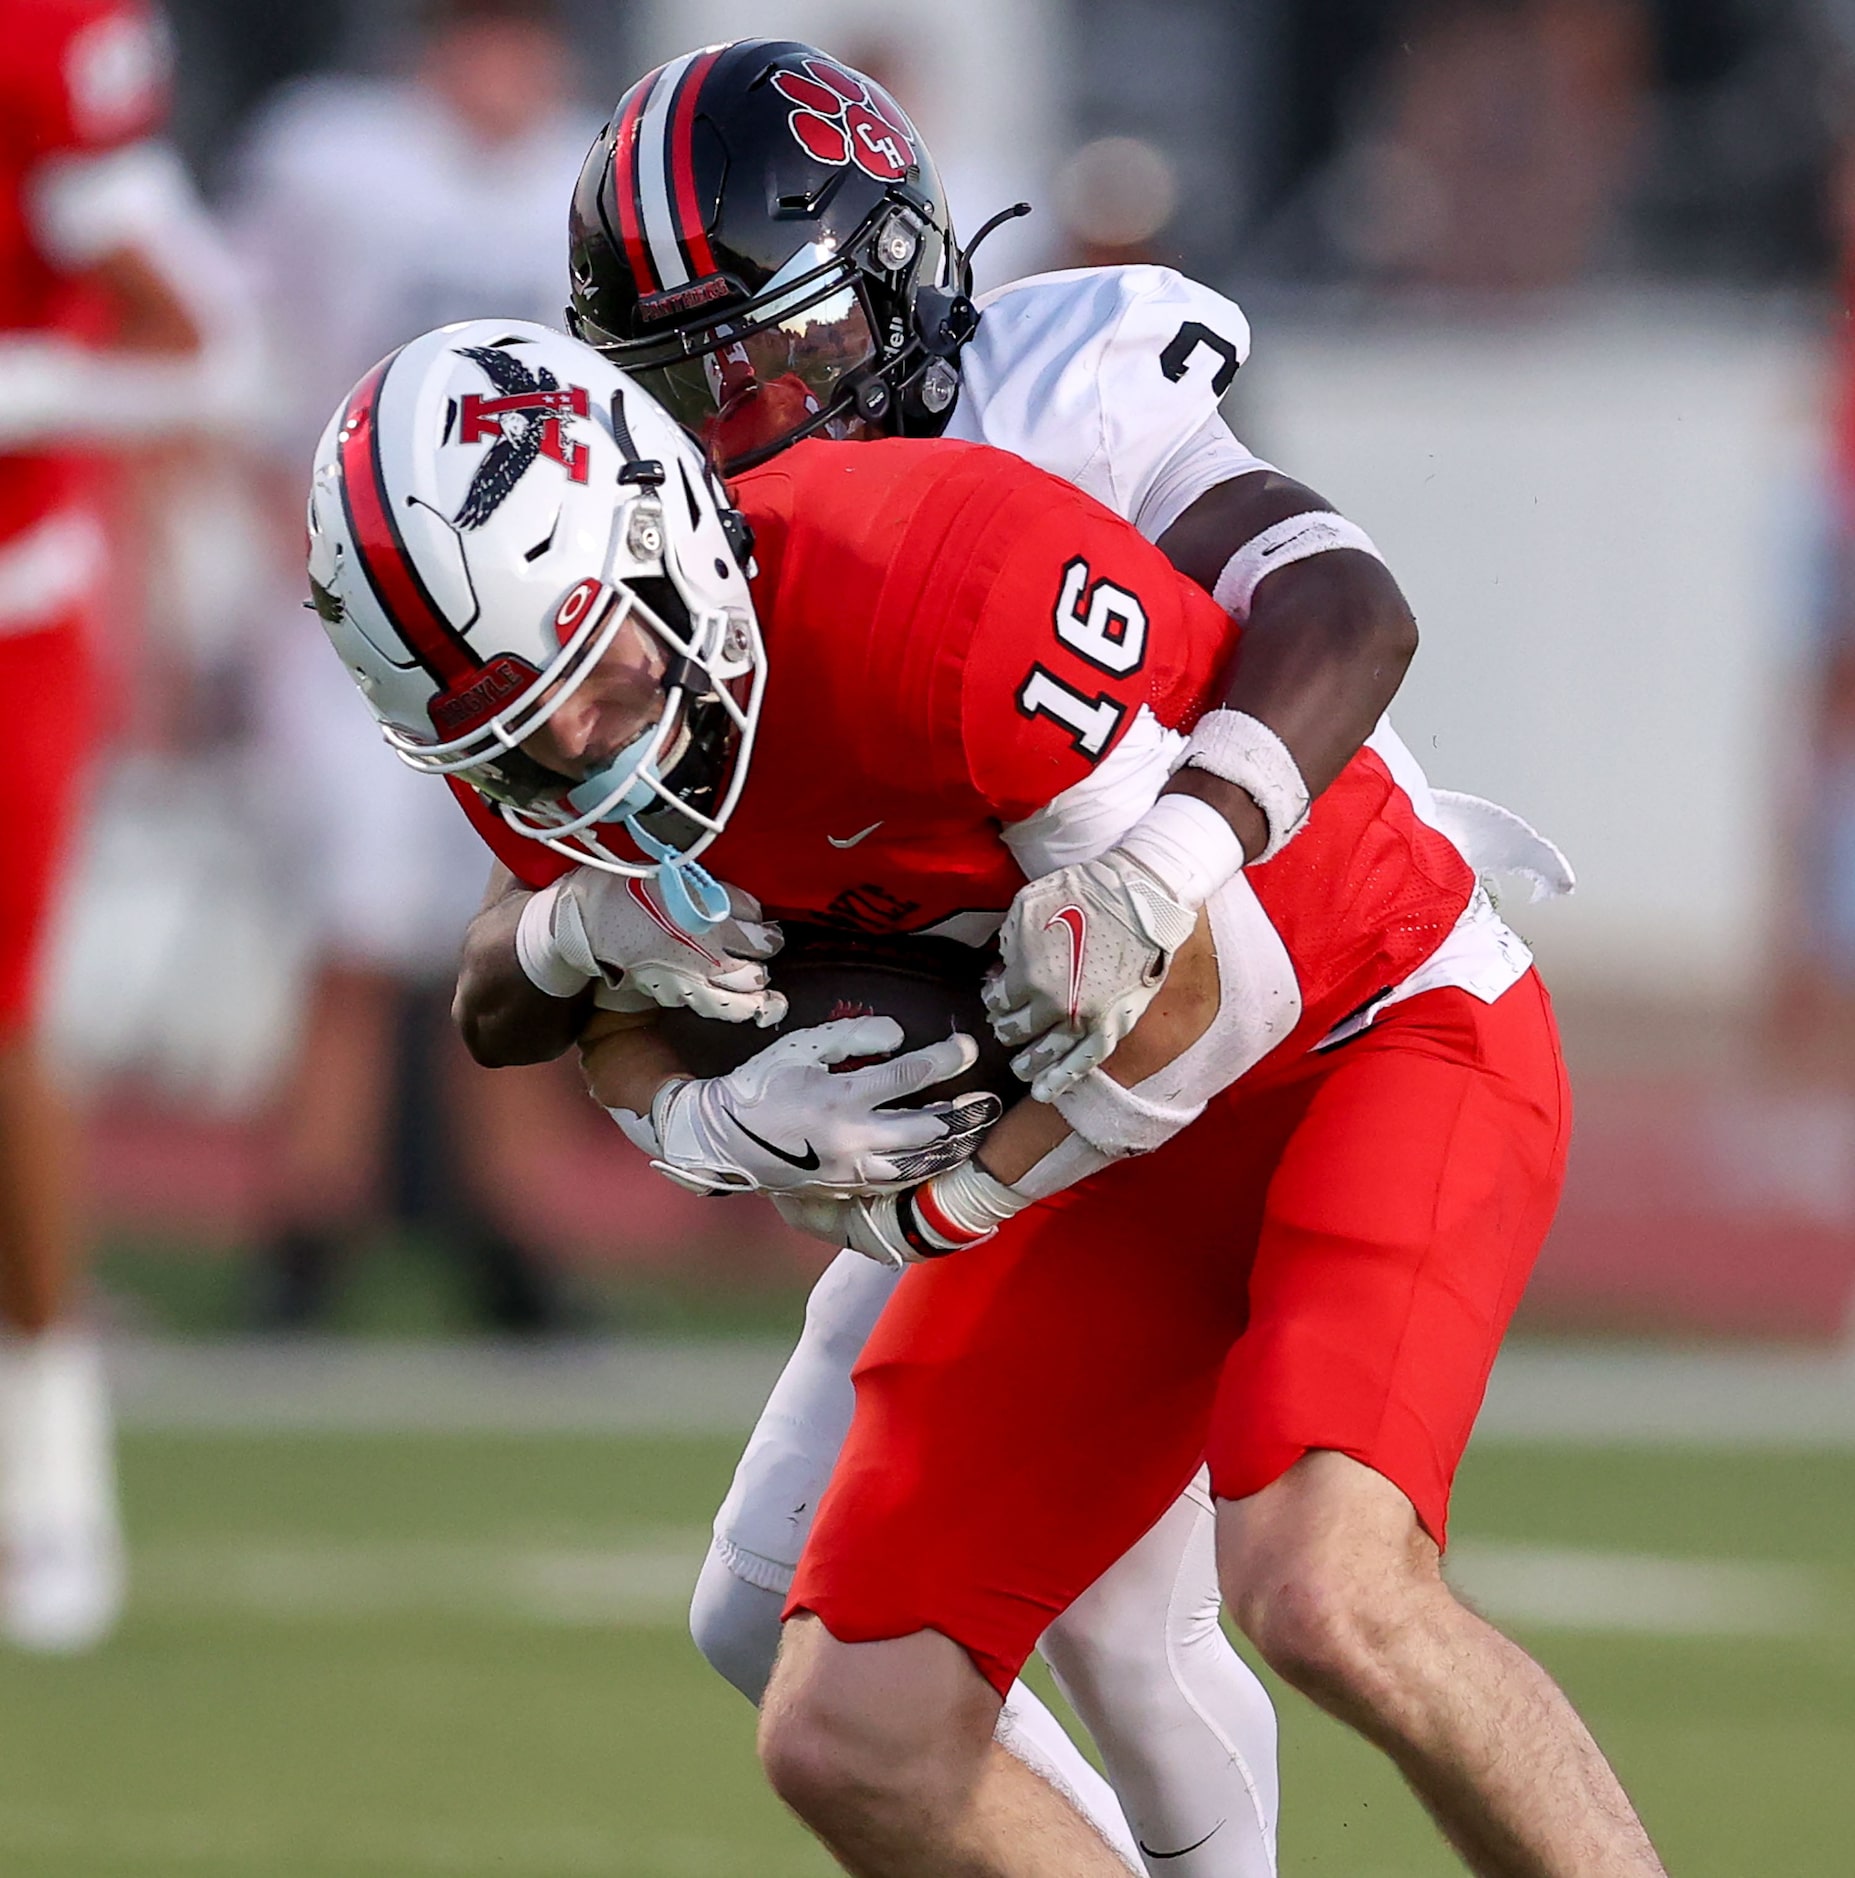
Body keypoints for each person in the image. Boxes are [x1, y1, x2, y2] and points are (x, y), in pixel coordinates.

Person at [305, 313, 1659, 1878]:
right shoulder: (542, 711)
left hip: (1367, 1024)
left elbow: (1210, 1000)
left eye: (599, 681)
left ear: (659, 525)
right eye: (522, 741)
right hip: (1100, 1137)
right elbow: (579, 1000)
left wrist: (941, 1195)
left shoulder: (933, 592)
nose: (592, 756)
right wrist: (694, 1118)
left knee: (1325, 1589)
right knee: (852, 1731)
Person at [230, 0, 598, 1330]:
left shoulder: (586, 166)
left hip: (527, 616)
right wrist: (271, 530)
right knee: (352, 932)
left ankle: (516, 1244)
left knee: (525, 923)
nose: (506, 62)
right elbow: (238, 352)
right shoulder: (333, 158)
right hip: (358, 596)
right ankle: (304, 1233)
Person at [0, 0, 254, 1649]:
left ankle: (47, 1477)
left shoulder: (46, 43)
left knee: (7, 1031)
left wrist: (31, 390)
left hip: (7, 610)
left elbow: (219, 348)